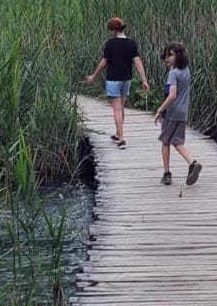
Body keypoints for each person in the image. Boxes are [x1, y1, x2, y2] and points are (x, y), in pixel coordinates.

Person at [86, 17, 149, 149]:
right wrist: (144, 80)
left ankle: (121, 139)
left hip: (113, 79)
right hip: (127, 79)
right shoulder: (131, 43)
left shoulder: (110, 43)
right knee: (121, 106)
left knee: (117, 109)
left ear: (114, 30)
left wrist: (94, 76)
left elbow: (104, 62)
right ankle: (117, 133)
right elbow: (138, 63)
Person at [153, 42, 202, 186]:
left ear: (178, 56)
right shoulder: (186, 71)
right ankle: (193, 162)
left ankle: (167, 173)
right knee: (177, 142)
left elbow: (172, 95)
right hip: (183, 112)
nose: (167, 58)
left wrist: (160, 110)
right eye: (166, 55)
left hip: (172, 112)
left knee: (165, 142)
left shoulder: (173, 73)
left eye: (171, 55)